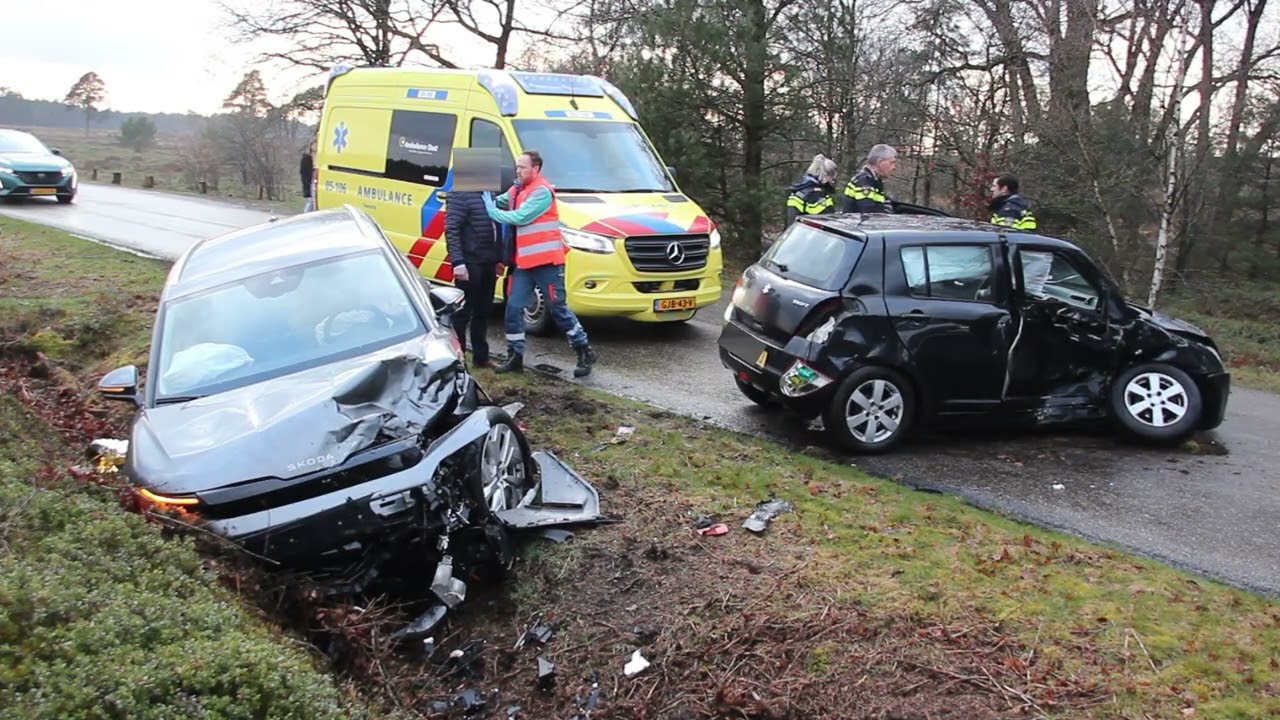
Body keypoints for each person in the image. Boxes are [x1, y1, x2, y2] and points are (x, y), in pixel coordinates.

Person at [482, 150, 599, 378]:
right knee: (514, 309)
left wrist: (490, 210)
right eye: (516, 167)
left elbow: (519, 217)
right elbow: (501, 200)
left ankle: (584, 350)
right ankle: (515, 357)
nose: (518, 171)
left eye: (522, 167)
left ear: (535, 169)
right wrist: (480, 189)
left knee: (559, 310)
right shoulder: (518, 189)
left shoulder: (542, 192)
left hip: (548, 264)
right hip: (525, 264)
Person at [445, 188, 499, 367]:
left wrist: (497, 256)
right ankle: (459, 359)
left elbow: (495, 226)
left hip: (488, 261)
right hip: (469, 263)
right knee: (462, 314)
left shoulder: (489, 194)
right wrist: (458, 262)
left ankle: (481, 358)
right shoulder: (460, 194)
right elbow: (452, 229)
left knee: (483, 312)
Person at [839, 144, 897, 214]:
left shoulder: (874, 181)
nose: (894, 167)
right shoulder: (864, 182)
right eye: (892, 162)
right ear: (879, 162)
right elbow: (869, 214)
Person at [785, 154, 838, 224]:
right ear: (825, 175)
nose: (832, 181)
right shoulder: (815, 195)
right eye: (832, 178)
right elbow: (826, 220)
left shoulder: (800, 189)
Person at [300, 140, 315, 212]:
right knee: (311, 202)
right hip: (310, 183)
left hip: (312, 182)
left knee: (312, 202)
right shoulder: (306, 159)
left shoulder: (313, 158)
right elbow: (304, 173)